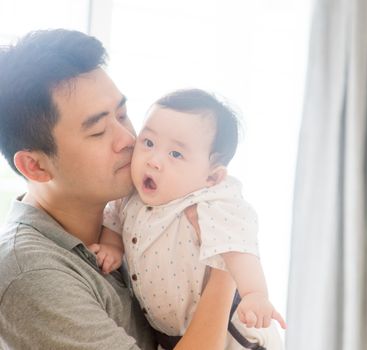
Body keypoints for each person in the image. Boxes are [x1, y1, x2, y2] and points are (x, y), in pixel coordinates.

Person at [0, 29, 236, 349]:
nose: (129, 138)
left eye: (122, 114)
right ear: (36, 166)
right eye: (98, 131)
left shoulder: (139, 208)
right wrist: (227, 266)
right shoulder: (30, 272)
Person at [92, 89, 286, 349]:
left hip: (231, 334)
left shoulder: (210, 205)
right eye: (148, 143)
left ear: (212, 177)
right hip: (174, 336)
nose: (154, 161)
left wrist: (255, 294)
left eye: (176, 154)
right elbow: (114, 220)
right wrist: (112, 247)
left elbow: (240, 249)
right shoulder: (129, 195)